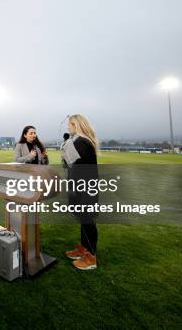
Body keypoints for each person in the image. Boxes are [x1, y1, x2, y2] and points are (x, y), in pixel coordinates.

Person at [62, 114, 99, 270]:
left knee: (87, 220)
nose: (68, 126)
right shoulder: (77, 141)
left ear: (76, 125)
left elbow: (70, 162)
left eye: (70, 124)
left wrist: (65, 146)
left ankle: (91, 257)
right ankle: (83, 249)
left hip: (85, 187)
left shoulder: (82, 142)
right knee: (83, 219)